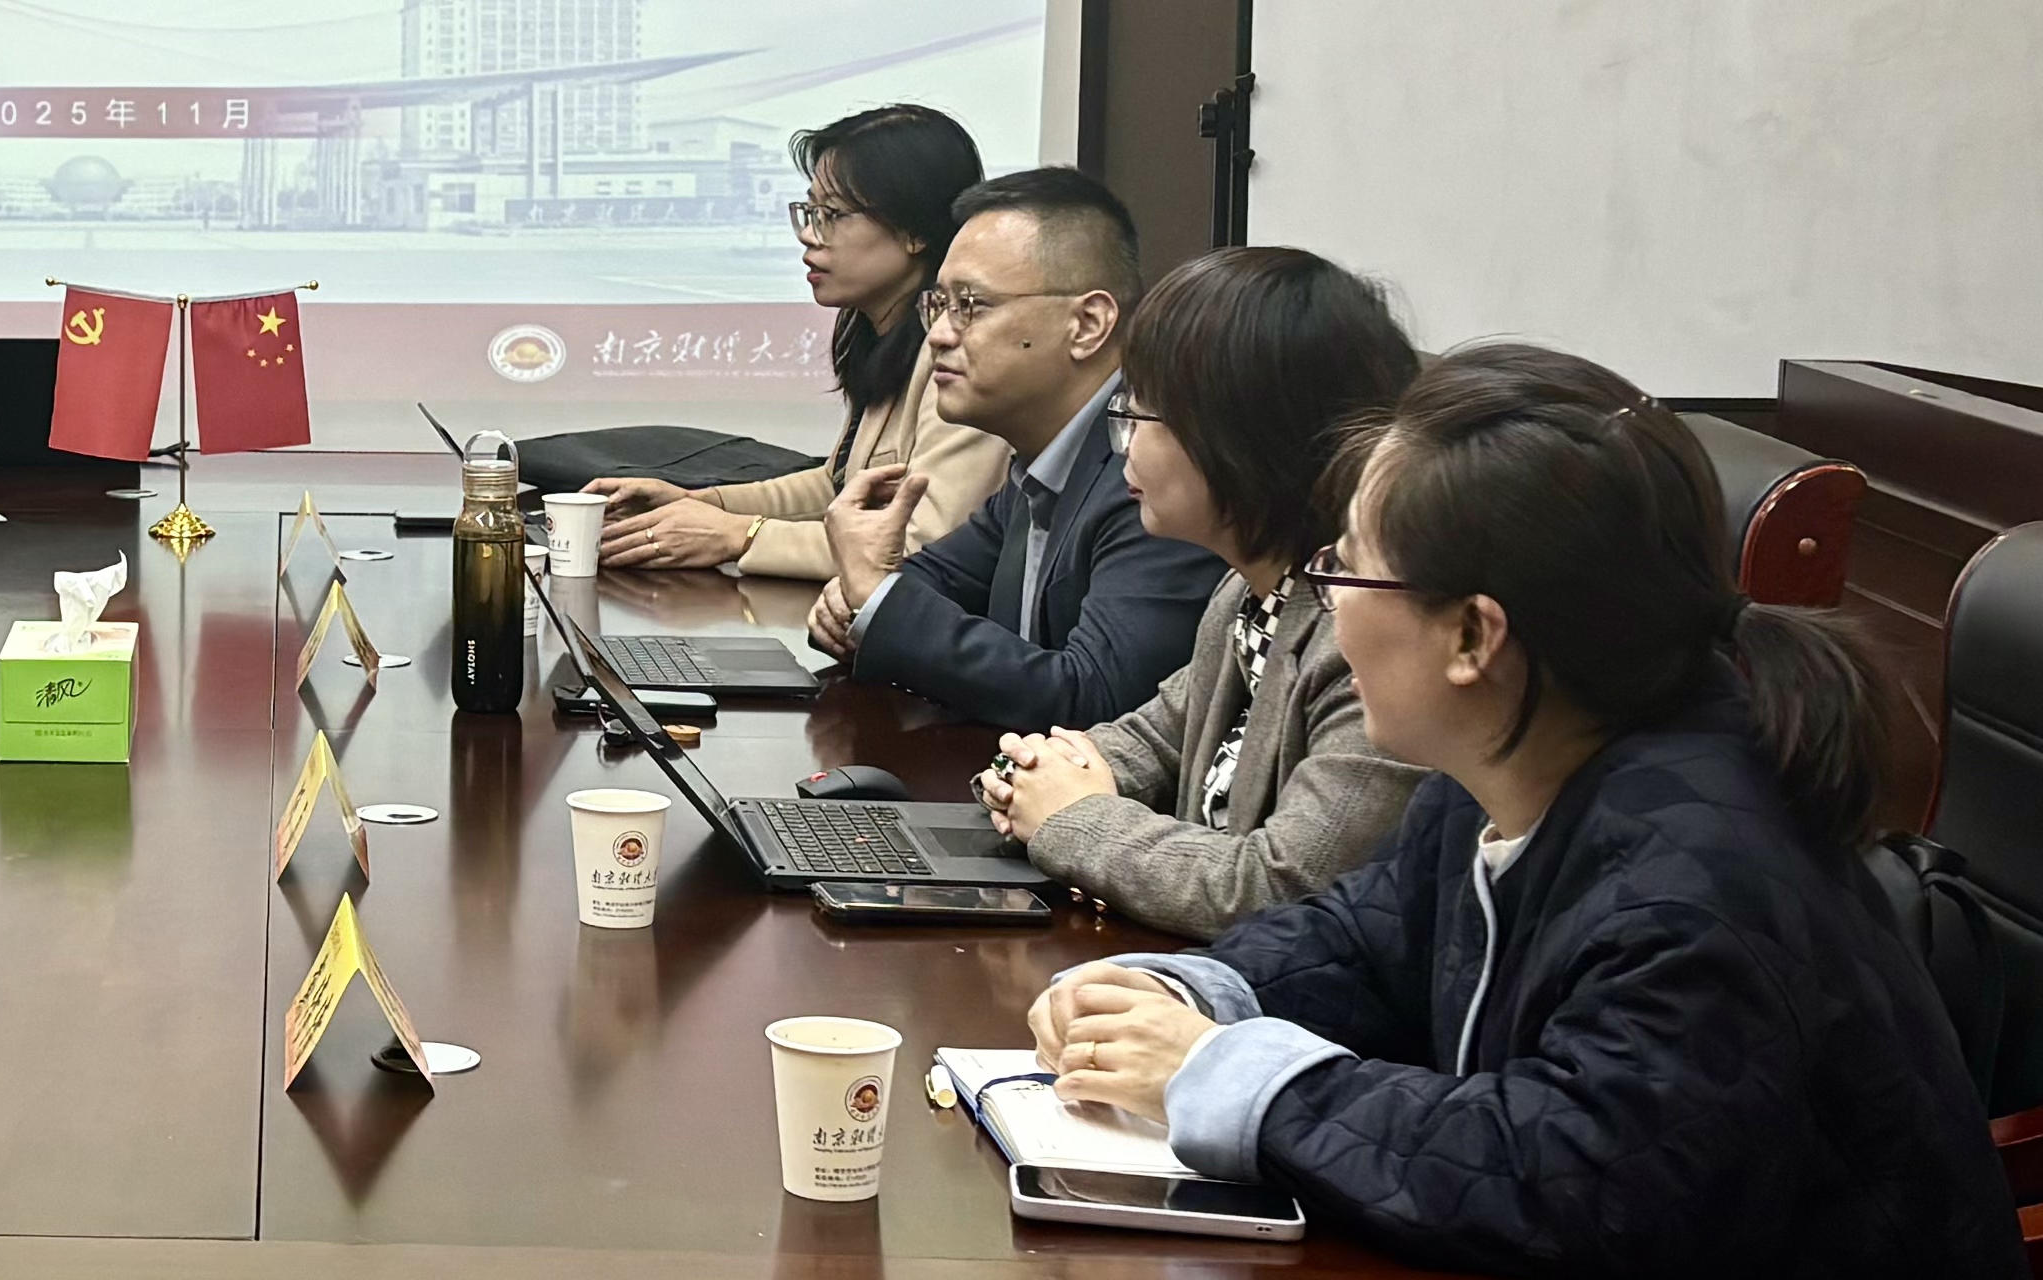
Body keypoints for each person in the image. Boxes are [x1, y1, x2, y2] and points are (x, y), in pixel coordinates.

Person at [1033, 344, 2043, 1280]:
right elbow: (1363, 939)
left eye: (1344, 568)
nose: (1325, 605)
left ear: (1474, 637)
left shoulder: (1694, 888)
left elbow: (1569, 1175)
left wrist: (1231, 1080)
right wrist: (1185, 999)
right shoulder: (1512, 767)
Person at [974, 245, 1422, 935]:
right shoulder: (1249, 595)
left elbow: (1278, 887)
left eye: (1140, 415)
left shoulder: (1368, 634)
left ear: (1240, 436)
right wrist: (1031, 773)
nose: (1123, 447)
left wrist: (1072, 816)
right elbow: (1155, 739)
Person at [818, 168, 1224, 729]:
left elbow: (1095, 700)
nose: (938, 334)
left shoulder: (1151, 471)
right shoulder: (1040, 462)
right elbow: (930, 582)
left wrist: (876, 599)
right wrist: (863, 599)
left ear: (1088, 324)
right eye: (938, 305)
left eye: (971, 305)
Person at [593, 103, 1001, 594]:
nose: (809, 235)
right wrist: (701, 504)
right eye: (810, 212)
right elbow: (836, 487)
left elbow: (923, 544)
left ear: (915, 230)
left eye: (833, 215)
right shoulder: (885, 333)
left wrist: (739, 536)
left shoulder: (960, 355)